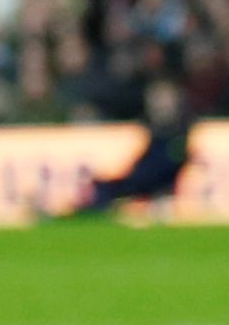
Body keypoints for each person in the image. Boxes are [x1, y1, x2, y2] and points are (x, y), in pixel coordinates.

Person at [47, 80, 195, 220]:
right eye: (156, 99)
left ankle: (75, 215)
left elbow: (156, 172)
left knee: (106, 192)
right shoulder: (154, 131)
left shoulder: (178, 136)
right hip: (136, 183)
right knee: (102, 186)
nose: (158, 105)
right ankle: (75, 213)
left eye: (163, 99)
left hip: (145, 188)